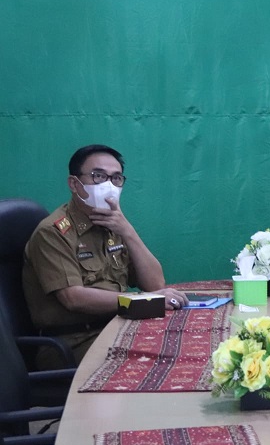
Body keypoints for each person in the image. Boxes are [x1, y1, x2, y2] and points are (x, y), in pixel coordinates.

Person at [23, 144, 188, 368]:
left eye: (116, 178)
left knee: (181, 344)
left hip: (116, 328)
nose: (108, 185)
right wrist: (143, 301)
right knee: (156, 361)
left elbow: (155, 284)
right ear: (74, 184)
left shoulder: (113, 225)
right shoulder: (53, 232)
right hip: (74, 343)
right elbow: (73, 298)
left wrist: (128, 231)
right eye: (98, 176)